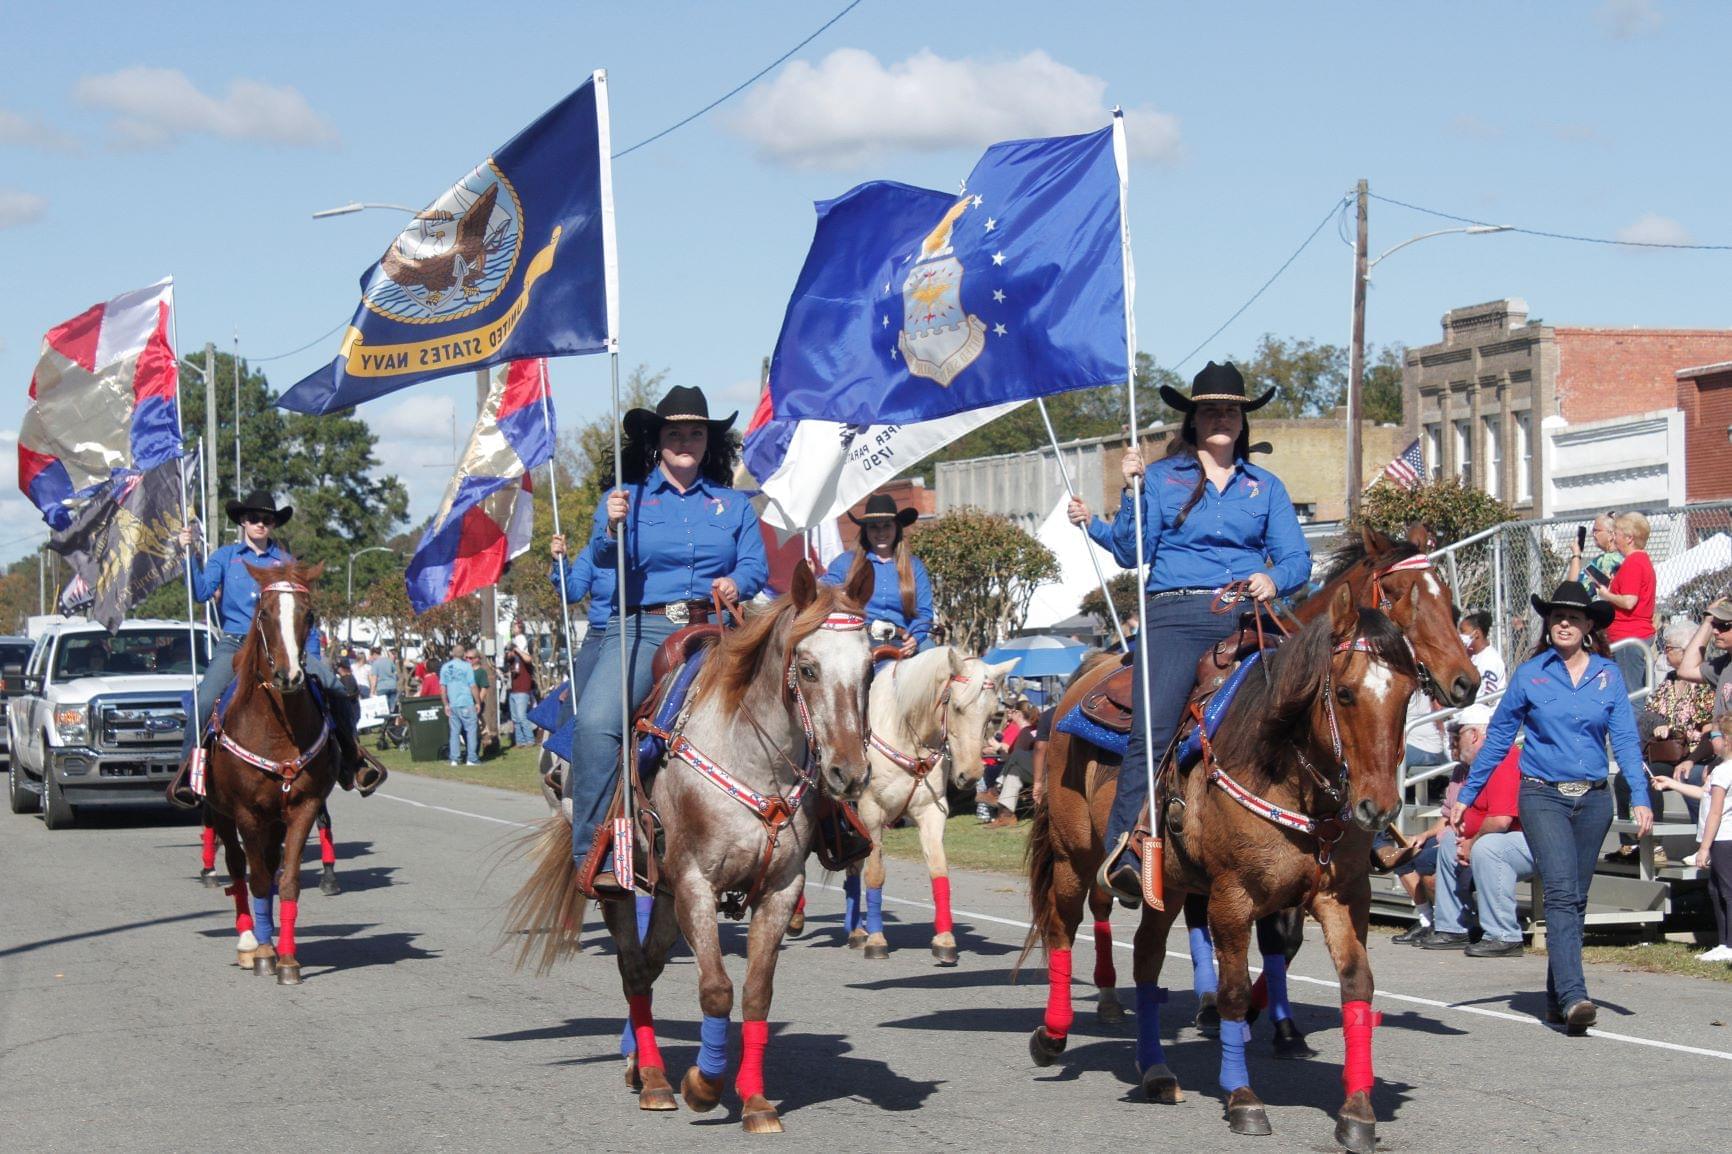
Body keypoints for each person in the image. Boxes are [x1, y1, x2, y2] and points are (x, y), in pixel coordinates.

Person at [1068, 361, 1311, 903]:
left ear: (1243, 421)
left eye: (1231, 410)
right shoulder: (1159, 478)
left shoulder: (1265, 486)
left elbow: (1298, 558)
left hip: (1250, 614)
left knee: (1315, 698)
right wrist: (1129, 490)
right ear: (1194, 421)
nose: (1222, 418)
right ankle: (1126, 849)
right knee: (1153, 729)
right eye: (1211, 410)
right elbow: (1133, 551)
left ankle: (1347, 833)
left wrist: (1274, 576)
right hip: (1175, 614)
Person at [554, 384, 767, 893]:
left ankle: (817, 831)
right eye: (676, 433)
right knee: (598, 724)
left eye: (696, 432)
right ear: (658, 441)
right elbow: (599, 566)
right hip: (643, 628)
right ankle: (595, 851)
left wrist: (737, 582)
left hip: (719, 629)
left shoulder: (733, 504)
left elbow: (755, 564)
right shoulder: (624, 499)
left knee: (799, 699)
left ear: (708, 441)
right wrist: (610, 530)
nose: (686, 441)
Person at [1458, 581, 1652, 1035]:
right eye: (1557, 616)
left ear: (1588, 626)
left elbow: (1623, 739)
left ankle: (1554, 996)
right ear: (1549, 623)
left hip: (1595, 799)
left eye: (1575, 617)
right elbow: (1500, 737)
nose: (1565, 623)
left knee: (1575, 898)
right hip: (1542, 793)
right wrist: (1468, 794)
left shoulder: (1607, 674)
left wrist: (1640, 797)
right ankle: (1573, 996)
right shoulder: (1531, 674)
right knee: (1562, 893)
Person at [170, 489, 377, 800]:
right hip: (236, 644)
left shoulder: (286, 561)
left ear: (274, 525)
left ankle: (353, 760)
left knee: (335, 686)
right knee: (204, 701)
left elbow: (303, 613)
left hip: (284, 648)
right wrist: (187, 555)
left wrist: (312, 656)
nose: (261, 524)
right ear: (243, 521)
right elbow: (201, 593)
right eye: (254, 518)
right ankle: (190, 774)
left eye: (267, 519)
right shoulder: (225, 557)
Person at [1421, 703, 1534, 956]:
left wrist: (1471, 843)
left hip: (1530, 841)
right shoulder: (1474, 766)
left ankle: (1504, 935)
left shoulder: (1504, 758)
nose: (1453, 742)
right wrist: (1461, 838)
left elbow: (1501, 820)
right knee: (1450, 841)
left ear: (1473, 734)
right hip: (1495, 838)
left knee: (1488, 847)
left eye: (1457, 735)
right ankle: (1453, 928)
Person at [1652, 714, 1731, 962]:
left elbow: (1715, 812)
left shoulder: (1721, 773)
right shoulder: (1721, 772)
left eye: (1714, 736)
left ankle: (1729, 944)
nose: (1710, 741)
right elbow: (1704, 795)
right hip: (1722, 838)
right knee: (1716, 888)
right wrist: (1672, 785)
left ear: (1727, 740)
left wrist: (1704, 848)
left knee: (1726, 891)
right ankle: (1724, 942)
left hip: (1722, 839)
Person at [820, 492, 932, 658]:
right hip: (859, 639)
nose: (881, 532)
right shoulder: (845, 563)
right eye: (874, 527)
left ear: (896, 528)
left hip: (904, 640)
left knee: (938, 663)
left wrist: (916, 637)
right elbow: (823, 591)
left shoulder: (915, 567)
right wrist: (814, 581)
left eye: (886, 526)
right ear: (866, 530)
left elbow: (924, 612)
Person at [1646, 621, 1720, 825]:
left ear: (1686, 650)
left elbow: (1709, 733)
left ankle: (1702, 835)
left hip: (1697, 756)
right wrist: (1657, 725)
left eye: (1669, 648)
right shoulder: (1668, 680)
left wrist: (1691, 760)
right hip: (1668, 754)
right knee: (1633, 777)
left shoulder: (1705, 685)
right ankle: (1644, 843)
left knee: (1691, 775)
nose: (1664, 652)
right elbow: (1650, 712)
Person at [1601, 511, 1656, 693]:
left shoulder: (1633, 563)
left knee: (1631, 694)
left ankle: (1634, 723)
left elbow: (1629, 602)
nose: (1613, 538)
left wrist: (1605, 594)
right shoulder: (1640, 560)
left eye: (1616, 534)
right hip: (1631, 635)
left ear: (1629, 538)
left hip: (1628, 636)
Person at [987, 702, 1040, 828]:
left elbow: (1011, 757)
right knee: (1014, 773)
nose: (1009, 712)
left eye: (1012, 710)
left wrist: (998, 747)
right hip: (1033, 770)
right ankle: (1006, 815)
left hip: (1042, 773)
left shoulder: (1025, 731)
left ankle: (995, 790)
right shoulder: (1034, 728)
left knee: (1016, 757)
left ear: (1019, 714)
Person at [1565, 511, 1622, 594]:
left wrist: (1576, 554)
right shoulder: (1623, 556)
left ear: (1611, 535)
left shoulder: (1607, 560)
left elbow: (1573, 586)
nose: (1593, 535)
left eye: (1596, 531)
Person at [440, 646, 480, 766]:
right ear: (463, 655)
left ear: (452, 653)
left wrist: (446, 704)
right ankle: (471, 759)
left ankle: (454, 759)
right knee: (471, 731)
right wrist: (477, 702)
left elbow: (442, 688)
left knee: (454, 732)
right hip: (466, 702)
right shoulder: (467, 666)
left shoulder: (445, 667)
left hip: (453, 704)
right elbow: (472, 686)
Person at [1459, 610, 1506, 699]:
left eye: (1462, 631)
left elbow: (1487, 698)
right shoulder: (1470, 655)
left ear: (1476, 633)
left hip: (1483, 711)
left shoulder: (1491, 660)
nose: (1459, 635)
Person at [506, 635, 538, 747]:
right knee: (515, 718)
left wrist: (517, 650)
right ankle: (520, 741)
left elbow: (528, 659)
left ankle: (530, 740)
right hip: (513, 691)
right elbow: (506, 659)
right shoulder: (513, 660)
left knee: (521, 716)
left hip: (523, 690)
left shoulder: (524, 657)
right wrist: (509, 652)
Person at [472, 649, 497, 749]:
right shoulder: (467, 670)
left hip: (476, 704)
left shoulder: (481, 672)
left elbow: (484, 688)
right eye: (466, 658)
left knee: (479, 727)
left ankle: (485, 745)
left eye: (470, 658)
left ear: (478, 659)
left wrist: (478, 703)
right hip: (466, 703)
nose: (468, 660)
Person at [371, 646, 397, 712]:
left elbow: (374, 678)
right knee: (393, 707)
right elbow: (395, 672)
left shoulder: (375, 663)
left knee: (383, 708)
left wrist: (372, 691)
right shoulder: (389, 661)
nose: (372, 658)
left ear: (374, 654)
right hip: (392, 686)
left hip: (382, 687)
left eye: (372, 655)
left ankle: (387, 721)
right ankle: (393, 720)